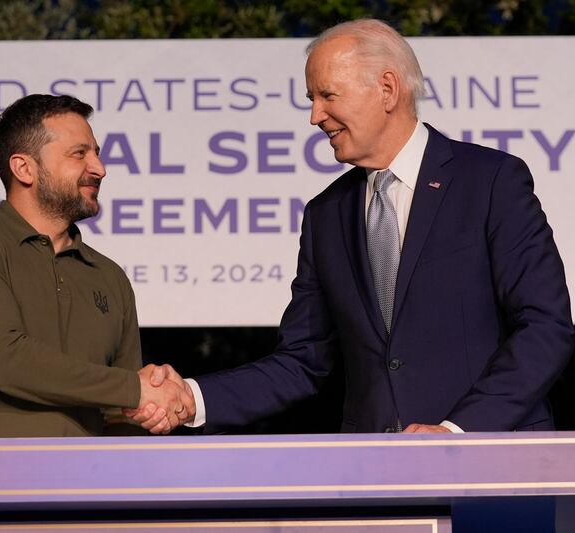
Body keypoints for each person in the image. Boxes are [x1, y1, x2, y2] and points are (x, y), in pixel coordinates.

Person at [129, 19, 574, 434]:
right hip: (377, 478)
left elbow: (545, 325)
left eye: (327, 95)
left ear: (386, 88)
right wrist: (190, 396)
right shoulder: (326, 215)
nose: (315, 116)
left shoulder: (490, 181)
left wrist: (457, 432)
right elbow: (302, 361)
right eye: (311, 100)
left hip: (495, 466)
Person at [0, 94, 189, 438]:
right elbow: (4, 361)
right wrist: (136, 390)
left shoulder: (109, 277)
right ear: (24, 168)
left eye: (97, 153)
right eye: (80, 154)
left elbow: (120, 408)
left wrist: (149, 411)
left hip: (83, 484)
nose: (99, 168)